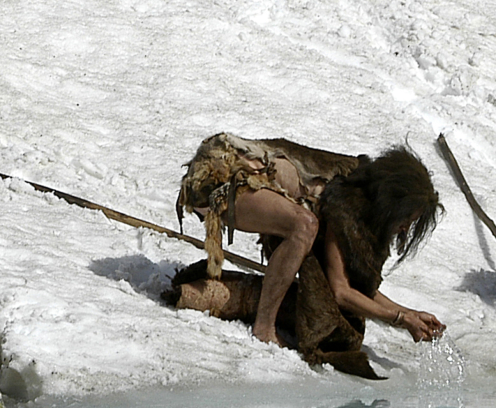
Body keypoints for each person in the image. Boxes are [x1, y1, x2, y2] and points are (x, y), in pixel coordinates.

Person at [171, 134, 444, 374]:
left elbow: (357, 288)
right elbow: (341, 291)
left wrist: (409, 314)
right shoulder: (346, 202)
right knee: (304, 225)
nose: (404, 228)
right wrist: (400, 319)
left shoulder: (356, 195)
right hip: (216, 175)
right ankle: (264, 328)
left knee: (303, 224)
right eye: (406, 219)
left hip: (223, 163)